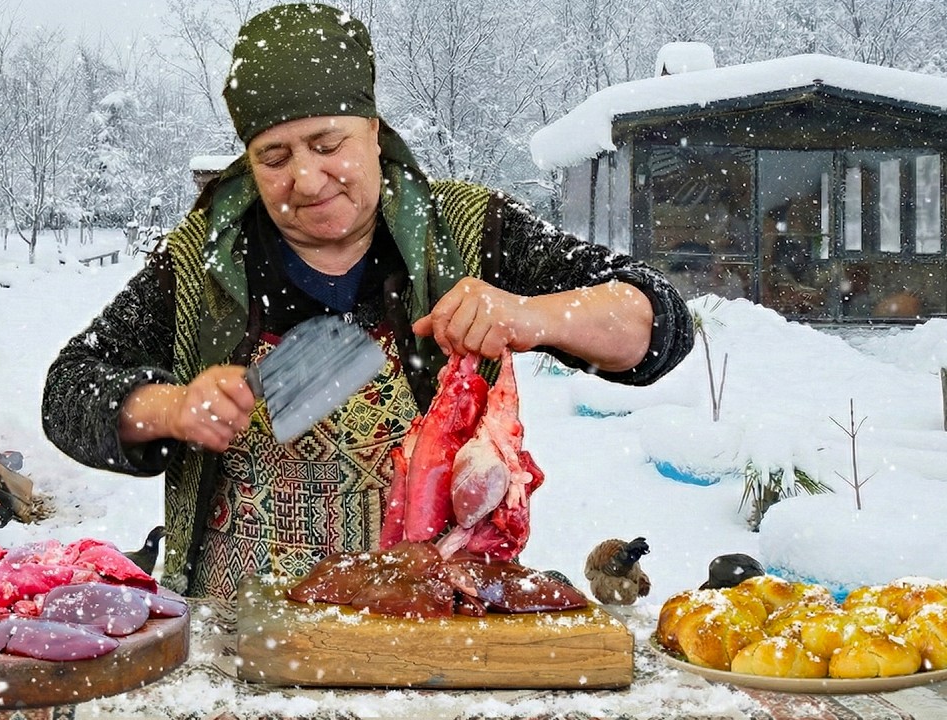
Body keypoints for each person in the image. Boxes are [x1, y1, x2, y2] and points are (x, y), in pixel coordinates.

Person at [42, 3, 693, 599]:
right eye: (274, 157)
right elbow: (68, 390)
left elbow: (657, 320)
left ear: (374, 131)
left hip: (423, 637)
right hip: (240, 648)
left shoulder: (469, 232)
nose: (305, 177)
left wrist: (533, 314)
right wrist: (171, 407)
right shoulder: (197, 262)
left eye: (328, 145)